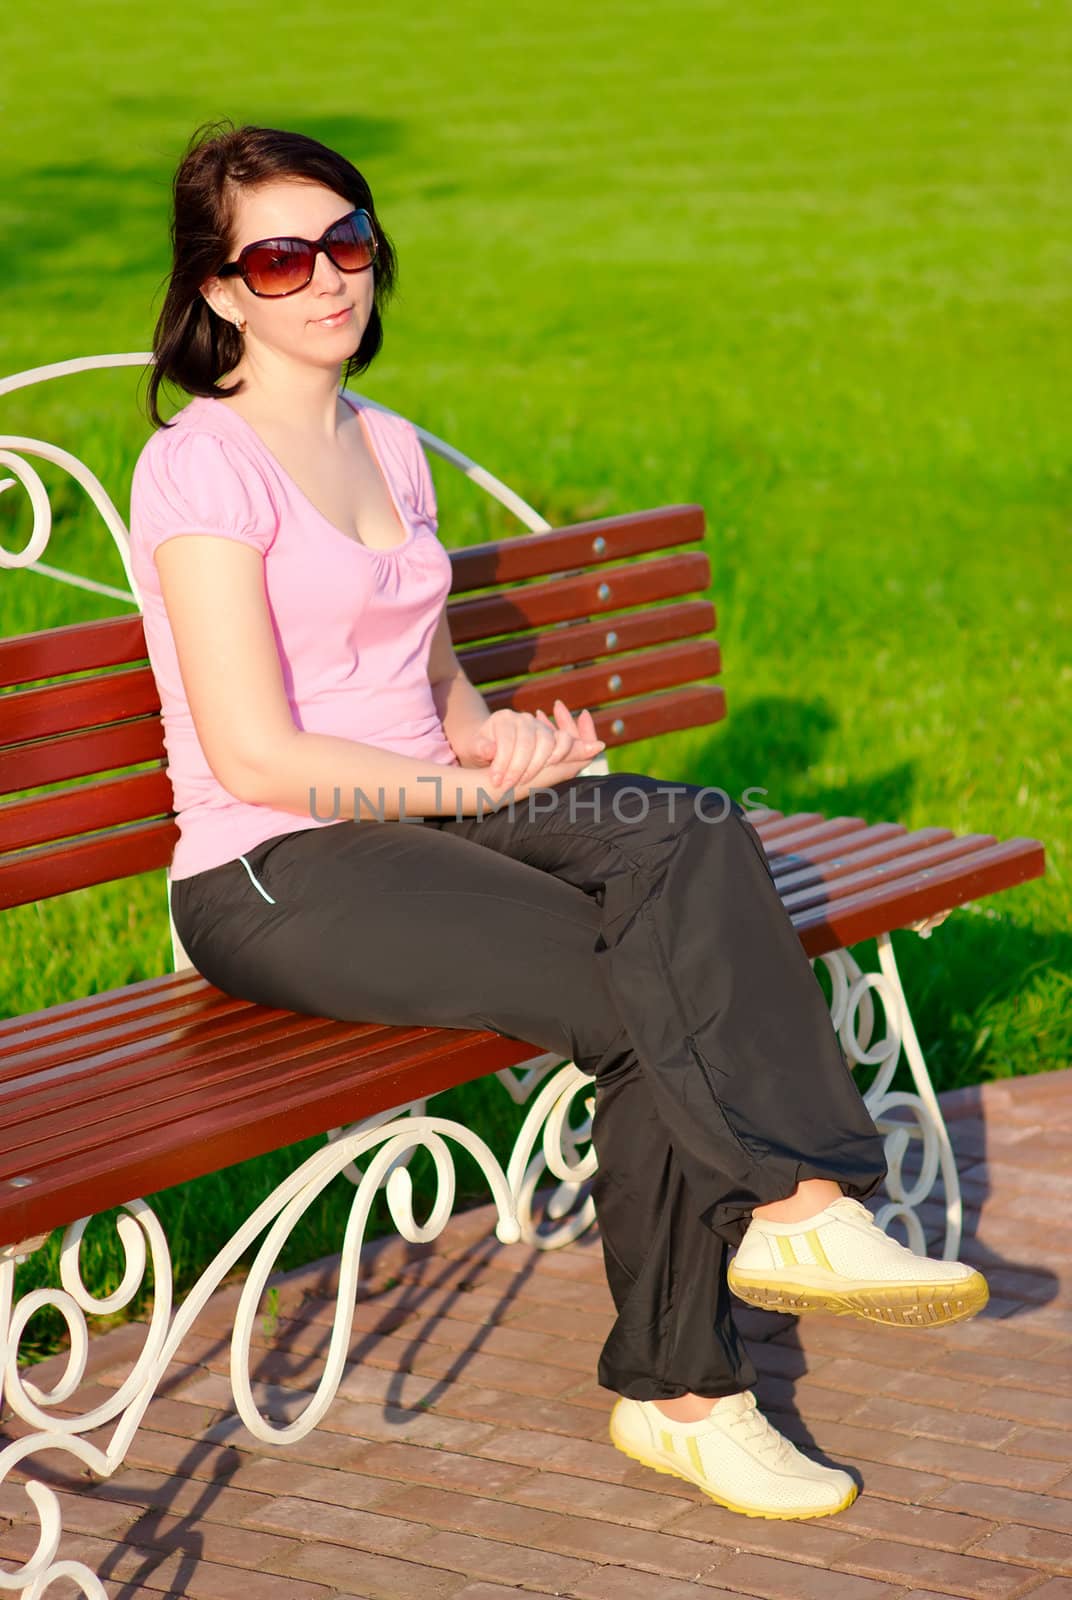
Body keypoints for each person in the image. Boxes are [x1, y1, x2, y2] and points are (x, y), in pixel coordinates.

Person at [130, 120, 989, 1523]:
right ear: (222, 291)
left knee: (695, 830)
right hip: (275, 863)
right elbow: (257, 751)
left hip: (430, 817)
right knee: (640, 982)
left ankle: (796, 1227)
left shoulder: (387, 443)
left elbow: (433, 685)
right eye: (283, 257)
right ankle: (698, 1378)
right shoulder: (202, 465)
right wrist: (462, 787)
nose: (332, 278)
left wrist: (503, 741)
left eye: (349, 241)